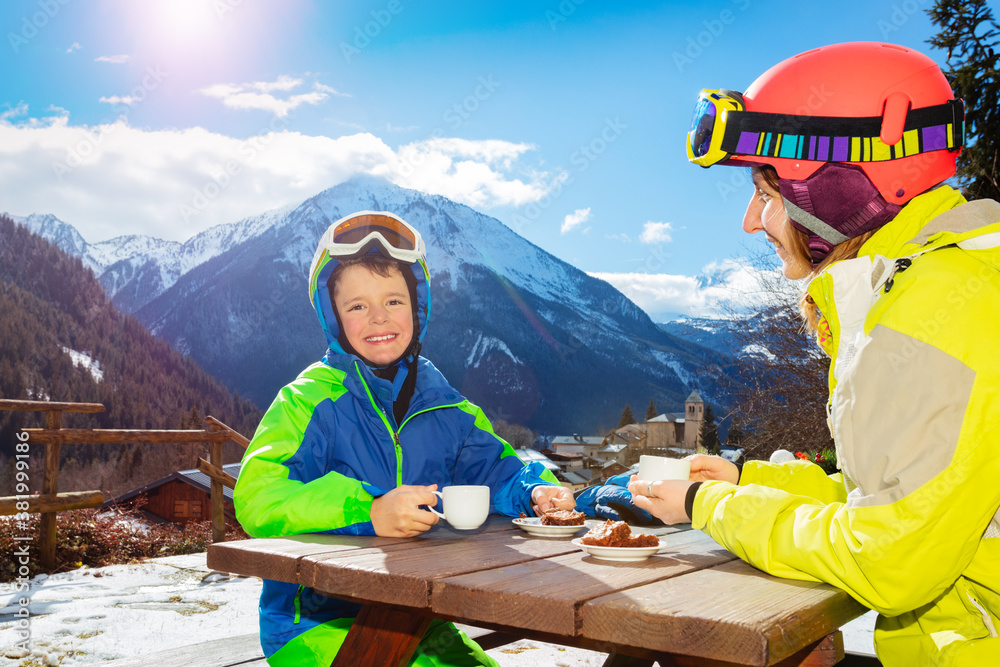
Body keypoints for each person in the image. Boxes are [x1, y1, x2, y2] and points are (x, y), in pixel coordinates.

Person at [630, 42, 1000, 665]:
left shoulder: (932, 314)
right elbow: (907, 498)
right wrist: (749, 479)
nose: (752, 221)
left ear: (836, 192)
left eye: (767, 193)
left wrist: (708, 506)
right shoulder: (940, 284)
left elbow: (890, 560)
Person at [233, 210, 574, 667]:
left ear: (417, 309)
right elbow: (258, 497)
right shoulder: (306, 401)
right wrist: (367, 509)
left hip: (421, 615)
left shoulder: (445, 405)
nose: (378, 318)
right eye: (357, 306)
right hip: (314, 623)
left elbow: (496, 471)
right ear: (333, 317)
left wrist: (534, 491)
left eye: (393, 301)